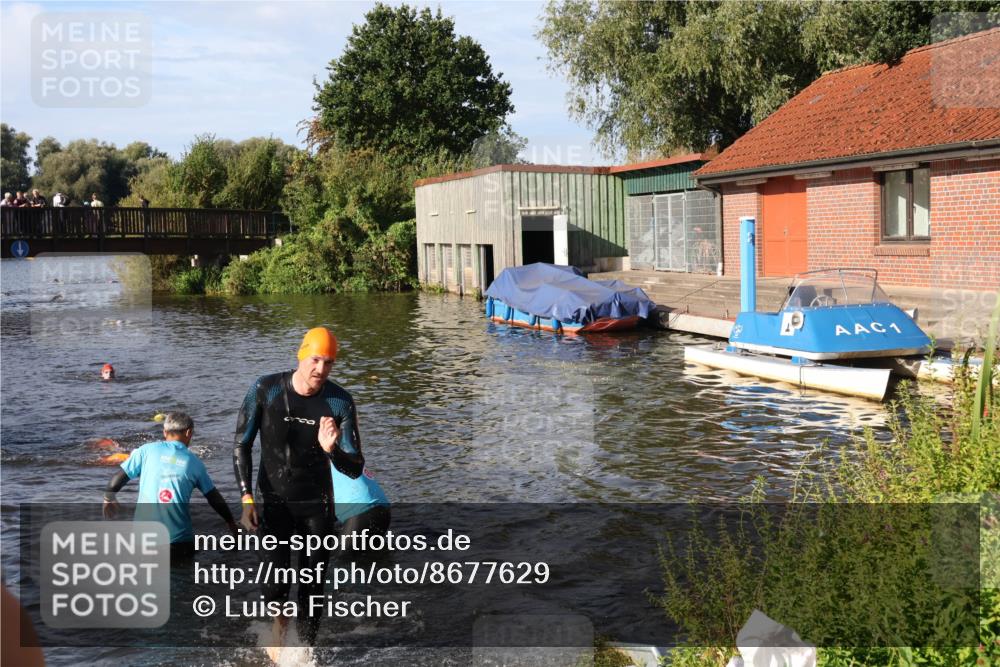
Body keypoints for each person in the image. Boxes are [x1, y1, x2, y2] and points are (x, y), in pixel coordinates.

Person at [234, 326, 364, 651]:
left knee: (312, 586)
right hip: (274, 501)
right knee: (275, 584)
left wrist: (331, 449)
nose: (321, 369)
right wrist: (246, 498)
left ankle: (304, 652)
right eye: (316, 359)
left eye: (329, 362)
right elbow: (241, 445)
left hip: (317, 506)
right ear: (302, 354)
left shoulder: (339, 402)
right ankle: (280, 629)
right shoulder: (265, 389)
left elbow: (355, 467)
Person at [104, 412, 238, 558]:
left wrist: (108, 498)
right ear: (189, 432)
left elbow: (116, 481)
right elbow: (213, 497)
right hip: (178, 544)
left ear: (164, 432)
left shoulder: (145, 451)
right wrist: (231, 523)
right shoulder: (194, 462)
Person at [332, 462, 390, 553]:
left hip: (360, 512)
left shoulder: (312, 456)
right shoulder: (343, 449)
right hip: (382, 508)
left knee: (341, 562)